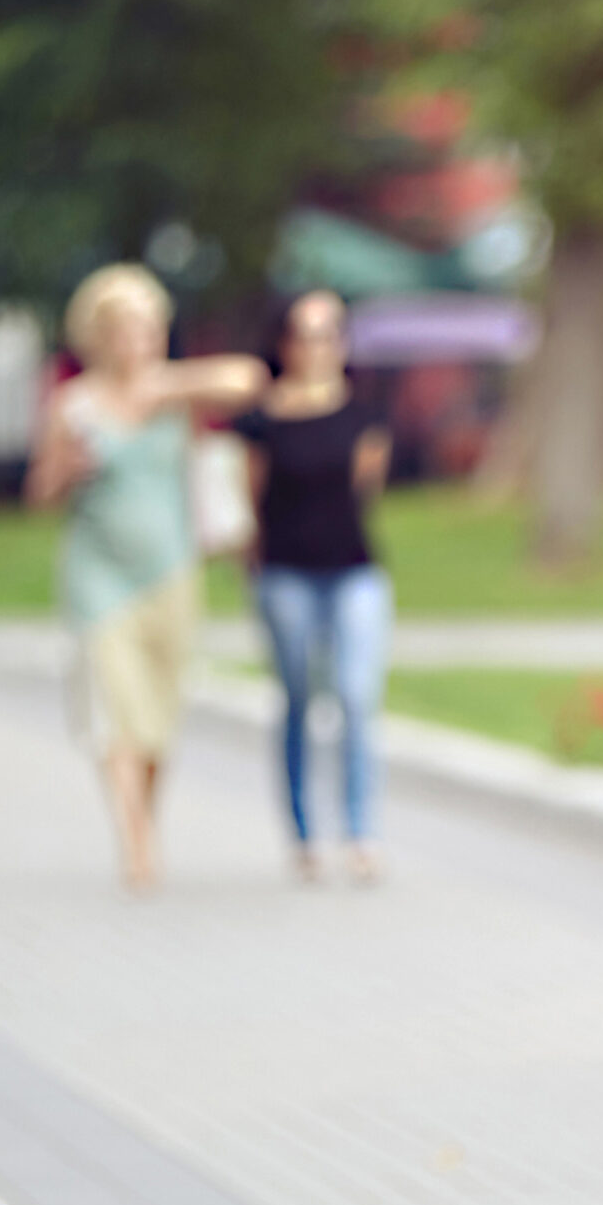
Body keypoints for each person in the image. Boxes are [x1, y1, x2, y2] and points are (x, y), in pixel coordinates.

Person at [25, 263, 265, 892]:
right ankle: (135, 844)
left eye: (147, 327)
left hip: (171, 572)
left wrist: (160, 385)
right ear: (98, 336)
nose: (137, 339)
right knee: (114, 711)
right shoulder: (74, 405)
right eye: (124, 328)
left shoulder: (174, 395)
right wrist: (68, 470)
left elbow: (248, 380)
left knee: (158, 714)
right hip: (98, 575)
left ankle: (145, 821)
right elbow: (39, 493)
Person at [233, 290, 393, 884]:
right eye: (304, 334)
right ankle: (304, 832)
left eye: (328, 334)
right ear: (284, 342)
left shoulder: (365, 415)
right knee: (300, 698)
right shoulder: (261, 418)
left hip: (352, 569)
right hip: (285, 572)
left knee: (355, 696)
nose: (316, 347)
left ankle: (360, 831)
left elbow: (365, 492)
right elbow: (251, 498)